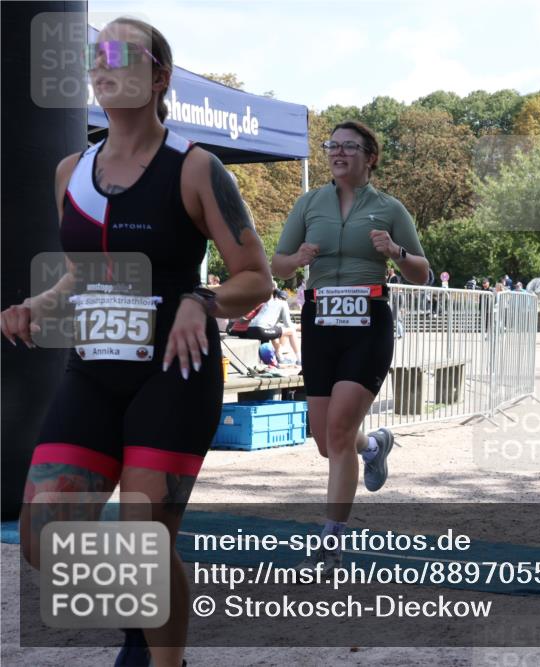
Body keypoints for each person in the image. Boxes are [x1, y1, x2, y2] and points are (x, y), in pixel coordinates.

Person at [0, 18, 274, 667]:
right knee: (43, 534)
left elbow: (256, 278)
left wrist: (199, 300)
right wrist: (35, 305)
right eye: (98, 53)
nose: (104, 62)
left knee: (144, 534)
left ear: (159, 76)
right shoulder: (71, 170)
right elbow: (84, 273)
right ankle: (139, 608)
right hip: (94, 371)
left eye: (122, 53)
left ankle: (163, 659)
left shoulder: (197, 169)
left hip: (175, 373)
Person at [271, 120, 431, 576]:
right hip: (321, 322)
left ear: (370, 156)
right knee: (326, 440)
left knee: (338, 432)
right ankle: (375, 446)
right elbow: (277, 264)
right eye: (332, 146)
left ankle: (330, 544)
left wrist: (396, 252)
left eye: (348, 147)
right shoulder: (309, 203)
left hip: (368, 324)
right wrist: (297, 259)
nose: (338, 153)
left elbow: (423, 272)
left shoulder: (389, 208)